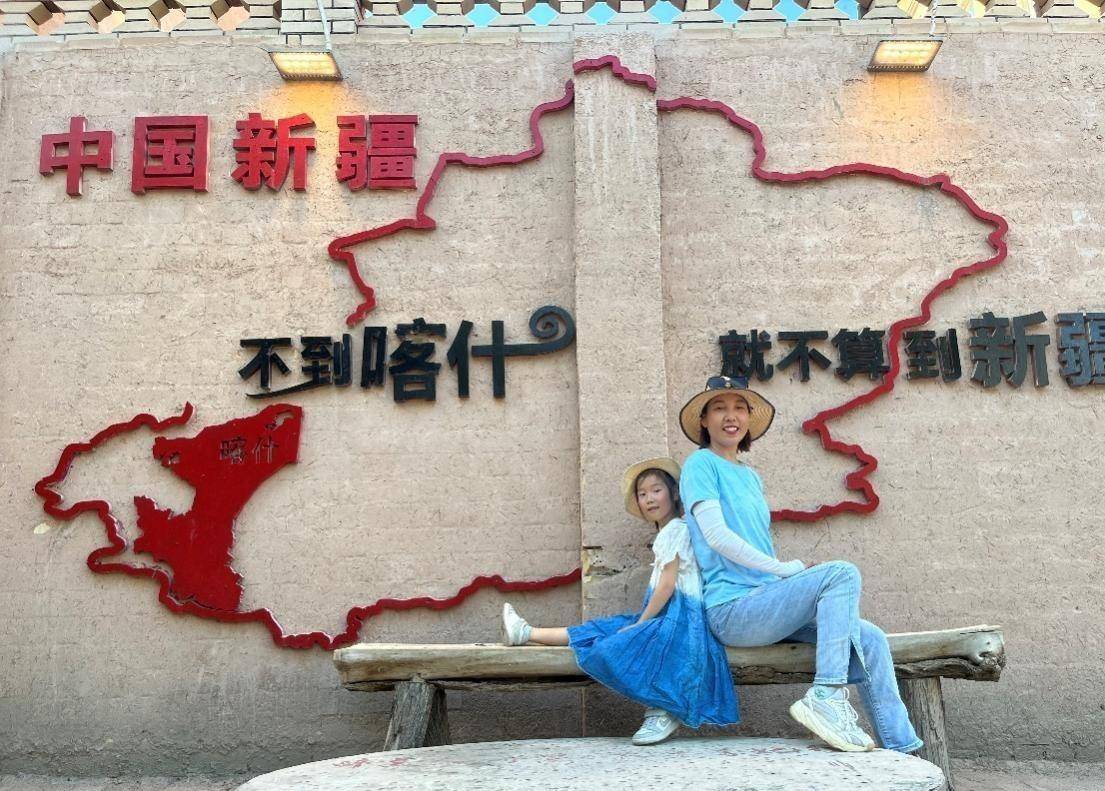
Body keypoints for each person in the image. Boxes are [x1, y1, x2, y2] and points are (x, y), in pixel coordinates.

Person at [676, 374, 923, 753]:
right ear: (704, 421)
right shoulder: (700, 465)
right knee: (840, 573)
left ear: (748, 420)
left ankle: (903, 750)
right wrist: (783, 569)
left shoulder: (750, 476)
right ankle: (826, 696)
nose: (731, 416)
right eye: (719, 408)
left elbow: (752, 544)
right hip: (732, 610)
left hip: (766, 602)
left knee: (870, 638)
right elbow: (717, 537)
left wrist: (781, 580)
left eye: (740, 407)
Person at [501, 458, 738, 746]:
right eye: (642, 493)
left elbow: (666, 586)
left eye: (657, 490)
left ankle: (664, 708)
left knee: (614, 644)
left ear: (675, 493)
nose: (649, 498)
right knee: (602, 629)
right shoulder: (671, 531)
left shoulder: (676, 530)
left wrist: (641, 623)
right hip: (667, 615)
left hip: (681, 621)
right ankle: (525, 632)